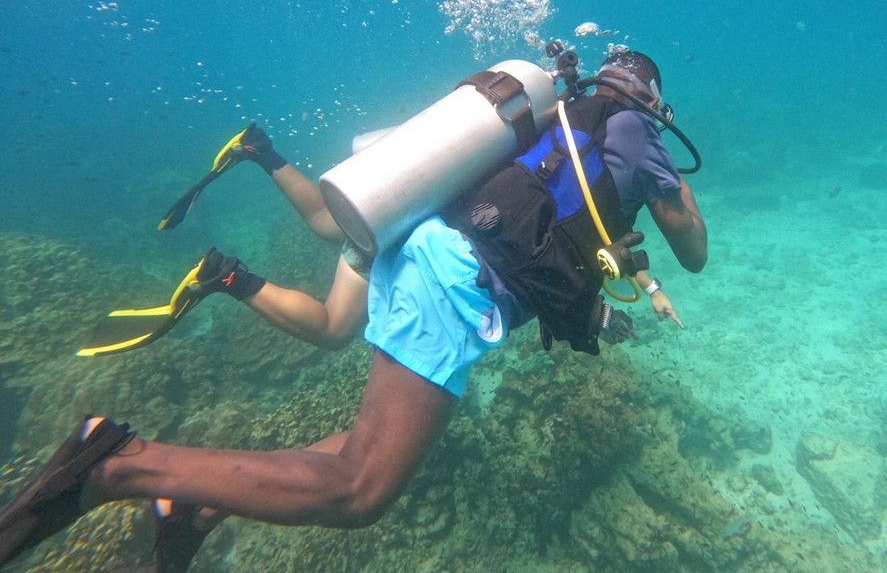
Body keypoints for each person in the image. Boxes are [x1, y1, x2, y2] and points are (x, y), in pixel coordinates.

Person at [0, 50, 706, 572]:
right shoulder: (639, 134)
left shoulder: (559, 109)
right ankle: (120, 464)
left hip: (423, 251)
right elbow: (693, 249)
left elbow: (560, 226)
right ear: (649, 97)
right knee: (362, 488)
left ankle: (198, 500)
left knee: (358, 438)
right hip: (456, 286)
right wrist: (665, 163)